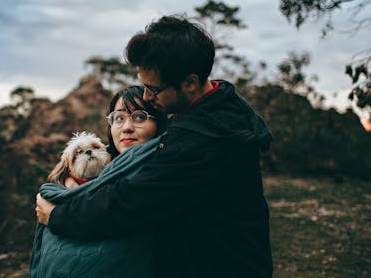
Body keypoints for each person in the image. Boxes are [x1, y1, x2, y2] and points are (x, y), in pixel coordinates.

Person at [36, 15, 274, 277]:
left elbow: (130, 203)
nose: (147, 97)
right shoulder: (222, 106)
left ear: (190, 82)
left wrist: (58, 216)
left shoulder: (202, 141)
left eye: (153, 89)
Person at [30, 86, 167, 277]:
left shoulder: (164, 166)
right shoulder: (105, 165)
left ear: (159, 123)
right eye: (119, 118)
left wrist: (56, 214)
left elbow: (118, 208)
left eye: (139, 117)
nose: (127, 127)